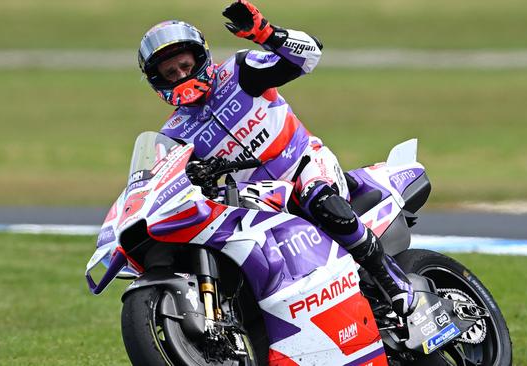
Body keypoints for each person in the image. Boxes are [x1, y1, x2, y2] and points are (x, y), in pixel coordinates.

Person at [138, 0, 417, 318]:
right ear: (158, 81)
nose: (181, 75)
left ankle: (392, 280)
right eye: (170, 72)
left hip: (303, 164)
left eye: (185, 65)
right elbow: (168, 184)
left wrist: (266, 33)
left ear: (200, 58)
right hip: (255, 198)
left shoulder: (239, 73)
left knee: (320, 200)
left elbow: (310, 56)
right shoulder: (174, 132)